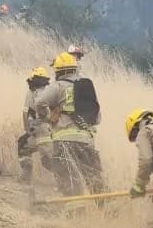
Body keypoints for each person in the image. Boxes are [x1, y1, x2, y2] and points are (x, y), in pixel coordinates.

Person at [36, 51, 103, 195]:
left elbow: (39, 102)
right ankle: (107, 209)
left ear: (59, 71)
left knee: (69, 181)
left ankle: (75, 213)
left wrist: (47, 117)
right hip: (87, 141)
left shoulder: (58, 86)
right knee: (94, 179)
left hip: (64, 142)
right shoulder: (87, 88)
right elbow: (97, 118)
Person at [19, 67, 52, 184]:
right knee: (23, 147)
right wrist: (28, 131)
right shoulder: (44, 91)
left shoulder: (37, 92)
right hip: (38, 130)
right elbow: (26, 112)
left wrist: (28, 130)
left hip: (42, 131)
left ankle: (64, 180)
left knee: (47, 160)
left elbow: (27, 112)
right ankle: (26, 178)